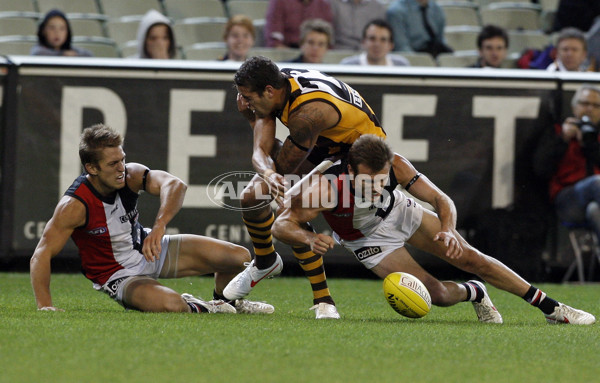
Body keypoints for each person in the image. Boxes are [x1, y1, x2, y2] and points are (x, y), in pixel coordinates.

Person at [273, 134, 596, 324]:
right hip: (367, 238)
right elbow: (281, 225)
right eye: (367, 180)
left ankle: (551, 308)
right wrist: (308, 236)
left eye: (380, 178)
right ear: (351, 169)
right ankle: (474, 291)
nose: (375, 185)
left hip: (399, 212)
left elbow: (440, 198)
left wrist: (449, 229)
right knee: (436, 296)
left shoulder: (396, 164)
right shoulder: (325, 189)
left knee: (471, 258)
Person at [30, 124, 274, 315]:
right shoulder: (74, 205)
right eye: (113, 163)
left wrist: (159, 226)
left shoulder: (131, 175)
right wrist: (45, 305)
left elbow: (175, 185)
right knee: (172, 305)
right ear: (91, 168)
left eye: (122, 159)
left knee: (239, 257)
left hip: (149, 247)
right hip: (119, 275)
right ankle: (201, 306)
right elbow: (42, 252)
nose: (121, 168)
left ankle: (225, 301)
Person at [222, 56, 386, 318]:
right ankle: (265, 261)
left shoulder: (307, 115)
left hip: (359, 160)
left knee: (292, 210)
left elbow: (282, 160)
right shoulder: (276, 84)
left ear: (268, 91)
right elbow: (261, 154)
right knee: (251, 197)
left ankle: (324, 299)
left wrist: (255, 125)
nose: (245, 103)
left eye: (248, 97)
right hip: (325, 145)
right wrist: (267, 170)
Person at [534, 85, 600, 249]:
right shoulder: (558, 132)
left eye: (596, 105)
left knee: (595, 210)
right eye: (584, 103)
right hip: (568, 201)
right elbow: (540, 169)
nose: (589, 109)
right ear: (573, 106)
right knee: (597, 183)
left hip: (593, 203)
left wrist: (589, 144)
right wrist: (562, 140)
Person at [386, 0, 452, 57]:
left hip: (435, 53)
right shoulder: (396, 11)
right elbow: (402, 48)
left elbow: (441, 40)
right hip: (415, 58)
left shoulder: (437, 9)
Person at [264, 0, 333, 48]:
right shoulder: (279, 2)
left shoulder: (324, 4)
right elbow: (274, 38)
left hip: (316, 52)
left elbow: (328, 37)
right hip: (287, 51)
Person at [340, 19, 409, 66]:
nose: (377, 44)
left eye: (383, 40)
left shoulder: (401, 65)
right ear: (363, 42)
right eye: (372, 39)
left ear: (391, 45)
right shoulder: (348, 65)